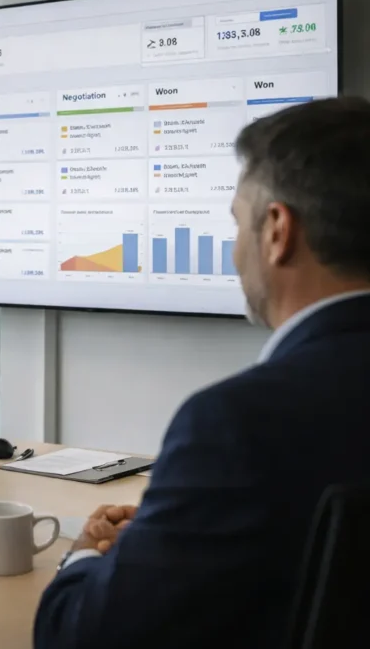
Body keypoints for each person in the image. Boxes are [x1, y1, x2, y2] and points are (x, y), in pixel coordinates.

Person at [34, 96, 370, 649]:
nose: (236, 250)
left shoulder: (238, 425)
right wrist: (183, 526)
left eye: (238, 223)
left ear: (277, 230)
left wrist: (83, 559)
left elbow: (81, 639)